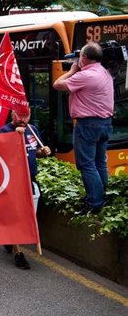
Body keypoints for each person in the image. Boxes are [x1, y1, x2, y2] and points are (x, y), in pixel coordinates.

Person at [53, 42, 114, 214]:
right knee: (100, 162)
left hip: (88, 125)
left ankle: (94, 203)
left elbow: (57, 84)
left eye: (80, 57)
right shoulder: (105, 72)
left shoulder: (85, 76)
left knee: (86, 165)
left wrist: (72, 71)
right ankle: (104, 198)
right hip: (105, 123)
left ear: (84, 58)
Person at [0, 110, 51, 269]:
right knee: (16, 217)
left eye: (26, 115)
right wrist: (16, 137)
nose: (23, 119)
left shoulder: (33, 129)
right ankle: (18, 253)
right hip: (14, 181)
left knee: (29, 215)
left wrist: (43, 152)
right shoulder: (4, 132)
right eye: (19, 115)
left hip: (31, 180)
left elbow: (36, 152)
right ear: (12, 115)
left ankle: (9, 239)